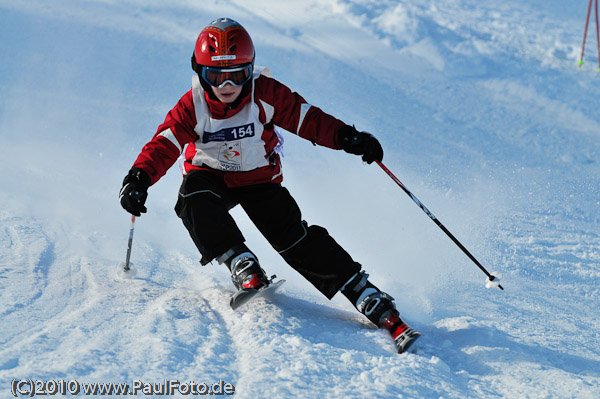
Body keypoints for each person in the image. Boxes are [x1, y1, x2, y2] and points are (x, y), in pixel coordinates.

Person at [119, 17, 420, 353]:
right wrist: (139, 178)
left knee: (294, 240)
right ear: (200, 73)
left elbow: (307, 119)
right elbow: (165, 144)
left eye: (238, 74)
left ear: (250, 69)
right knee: (192, 197)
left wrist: (346, 137)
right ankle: (240, 261)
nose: (227, 84)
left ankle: (363, 293)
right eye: (216, 76)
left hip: (259, 180)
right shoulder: (193, 105)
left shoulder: (264, 93)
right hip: (211, 177)